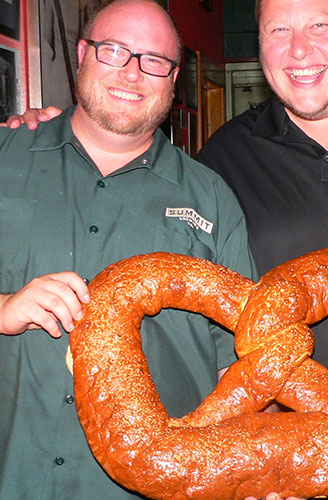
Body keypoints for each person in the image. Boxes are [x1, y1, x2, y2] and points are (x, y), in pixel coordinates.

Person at [7, 0, 328, 499]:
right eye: (278, 29)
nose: (298, 48)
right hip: (275, 459)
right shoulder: (226, 158)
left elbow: (244, 343)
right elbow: (239, 331)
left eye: (319, 25)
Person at [0, 1, 256, 499]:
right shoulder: (5, 159)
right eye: (114, 50)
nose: (133, 73)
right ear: (81, 53)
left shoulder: (213, 200)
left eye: (154, 60)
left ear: (174, 78)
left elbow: (241, 370)